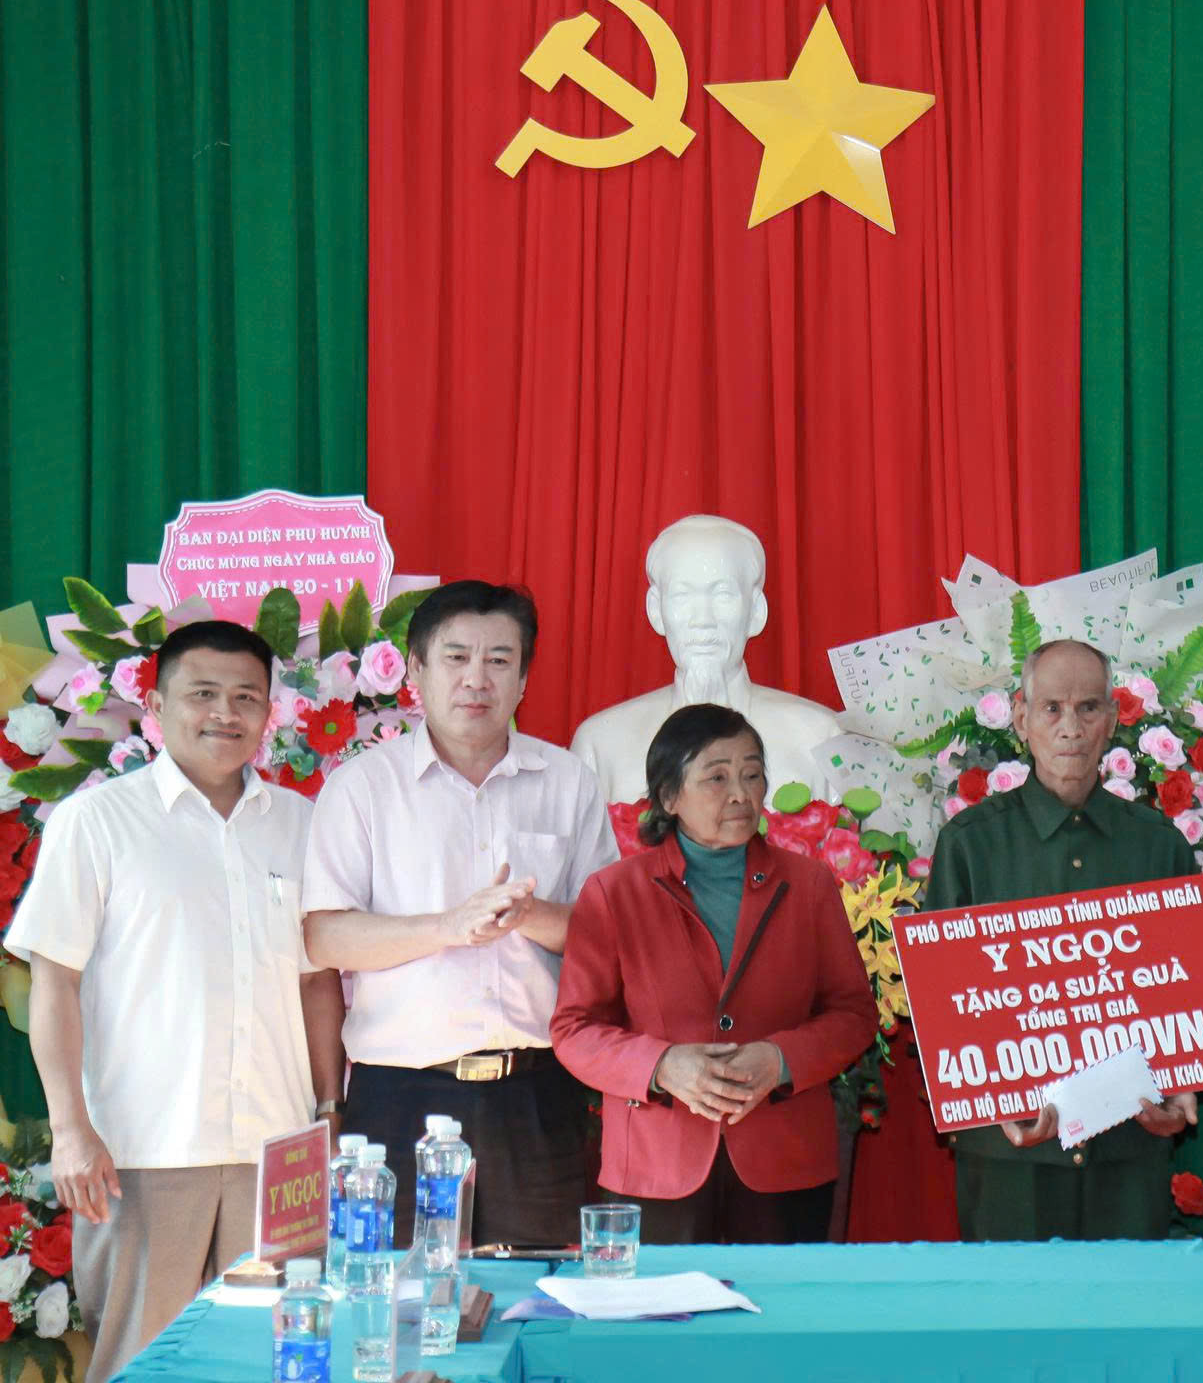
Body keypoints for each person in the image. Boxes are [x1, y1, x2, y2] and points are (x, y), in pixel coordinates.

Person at [6, 622, 345, 1380]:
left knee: (278, 1360)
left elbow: (317, 980)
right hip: (144, 1151)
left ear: (270, 712)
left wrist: (328, 1107)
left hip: (279, 1153)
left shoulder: (301, 825)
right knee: (145, 1363)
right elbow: (55, 980)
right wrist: (71, 1130)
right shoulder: (97, 821)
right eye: (203, 694)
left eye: (246, 697)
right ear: (156, 706)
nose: (225, 713)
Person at [303, 581, 619, 1247]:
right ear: (415, 671)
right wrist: (448, 928)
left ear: (524, 679)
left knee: (538, 1291)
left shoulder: (567, 782)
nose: (477, 679)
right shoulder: (364, 786)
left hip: (536, 1095)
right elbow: (325, 936)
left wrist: (528, 915)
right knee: (395, 1293)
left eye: (500, 660)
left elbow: (606, 935)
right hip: (401, 1095)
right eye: (456, 658)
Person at [552, 706, 873, 1242]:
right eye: (717, 778)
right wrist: (661, 1066)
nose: (741, 794)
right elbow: (574, 1029)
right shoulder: (614, 893)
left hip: (785, 1158)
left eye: (752, 774)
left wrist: (781, 1059)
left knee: (781, 1298)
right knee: (663, 1300)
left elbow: (853, 1013)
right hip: (656, 1163)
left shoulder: (809, 885)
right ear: (669, 796)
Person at [923, 640, 1201, 1241]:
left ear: (1113, 719)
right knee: (1014, 1304)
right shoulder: (969, 845)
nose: (1070, 727)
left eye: (1088, 707)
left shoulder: (1159, 846)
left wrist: (1181, 1085)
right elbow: (944, 1010)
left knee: (1130, 1304)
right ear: (1021, 718)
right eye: (1051, 708)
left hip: (1128, 1148)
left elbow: (1186, 998)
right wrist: (990, 1100)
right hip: (1010, 1156)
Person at [570, 515, 847, 801]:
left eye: (723, 594)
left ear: (756, 611)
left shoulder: (822, 739)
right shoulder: (601, 746)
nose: (703, 620)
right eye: (682, 595)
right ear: (655, 610)